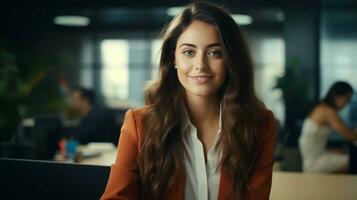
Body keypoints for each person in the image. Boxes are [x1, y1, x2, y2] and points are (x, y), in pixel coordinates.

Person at [101, 2, 276, 199]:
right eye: (188, 52)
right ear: (173, 58)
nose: (200, 65)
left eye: (214, 53)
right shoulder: (139, 123)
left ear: (231, 59)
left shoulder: (260, 124)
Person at [299, 81, 357, 173]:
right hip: (314, 162)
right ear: (337, 96)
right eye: (347, 99)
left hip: (311, 159)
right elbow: (349, 135)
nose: (348, 103)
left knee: (344, 153)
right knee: (354, 161)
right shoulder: (328, 112)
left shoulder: (320, 107)